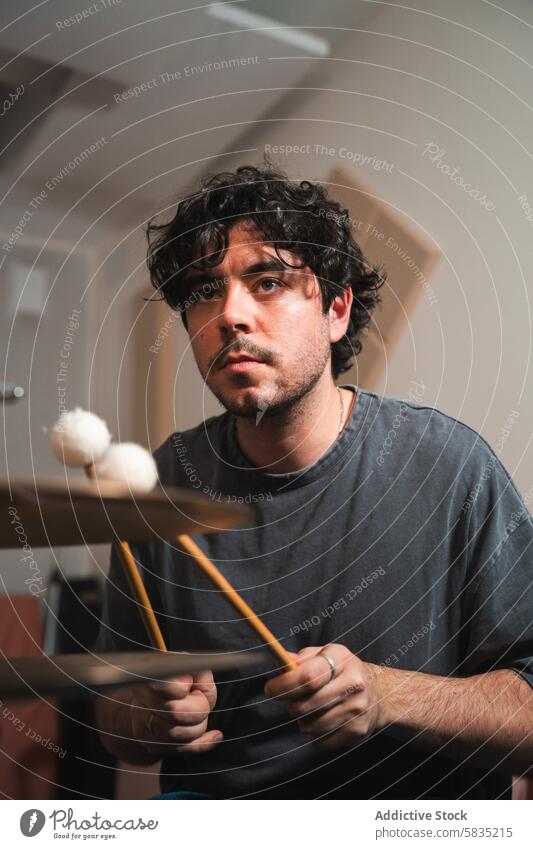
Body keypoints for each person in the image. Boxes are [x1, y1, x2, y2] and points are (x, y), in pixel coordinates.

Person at [94, 163, 533, 799]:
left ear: (335, 308)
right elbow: (114, 720)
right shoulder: (160, 483)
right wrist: (147, 715)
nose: (230, 316)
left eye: (267, 281)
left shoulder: (450, 466)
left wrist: (387, 695)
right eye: (203, 293)